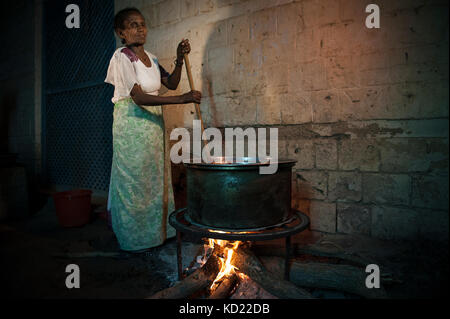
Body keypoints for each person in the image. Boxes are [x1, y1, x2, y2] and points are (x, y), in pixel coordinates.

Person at [104, 7, 202, 253]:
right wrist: (183, 100)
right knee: (134, 181)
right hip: (132, 126)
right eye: (133, 25)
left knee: (154, 179)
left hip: (153, 126)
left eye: (142, 24)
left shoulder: (153, 58)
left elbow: (171, 83)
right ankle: (134, 239)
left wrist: (179, 59)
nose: (140, 29)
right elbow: (138, 97)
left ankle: (156, 234)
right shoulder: (122, 57)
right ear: (121, 32)